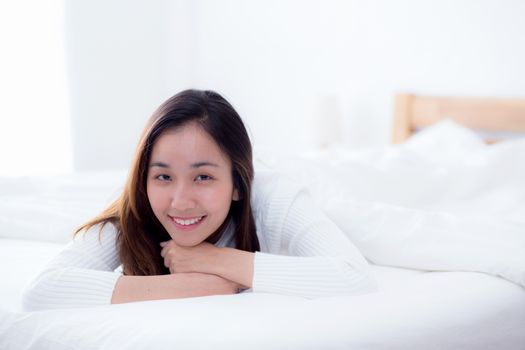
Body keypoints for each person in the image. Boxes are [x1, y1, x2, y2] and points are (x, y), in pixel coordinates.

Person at [22, 89, 376, 310]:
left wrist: (217, 259)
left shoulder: (275, 198)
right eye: (162, 175)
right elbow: (43, 290)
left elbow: (353, 276)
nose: (179, 201)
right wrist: (190, 285)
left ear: (238, 183)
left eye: (203, 176)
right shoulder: (136, 210)